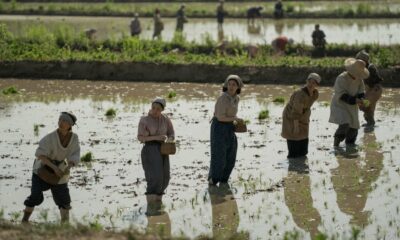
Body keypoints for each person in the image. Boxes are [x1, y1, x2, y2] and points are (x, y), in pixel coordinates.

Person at [22, 112, 80, 223]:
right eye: (60, 120)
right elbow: (40, 155)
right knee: (34, 197)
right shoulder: (50, 137)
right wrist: (54, 168)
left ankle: (65, 227)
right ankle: (24, 222)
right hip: (42, 169)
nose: (61, 123)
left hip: (60, 170)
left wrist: (70, 166)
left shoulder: (74, 138)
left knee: (64, 201)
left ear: (70, 125)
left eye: (65, 121)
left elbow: (75, 154)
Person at [137, 98, 175, 214]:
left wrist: (169, 139)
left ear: (162, 110)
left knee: (165, 178)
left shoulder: (165, 119)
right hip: (150, 149)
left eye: (158, 109)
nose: (155, 111)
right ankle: (151, 209)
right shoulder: (144, 120)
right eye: (153, 108)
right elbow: (140, 137)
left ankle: (158, 207)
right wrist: (156, 137)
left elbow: (171, 133)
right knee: (155, 178)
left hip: (163, 150)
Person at [209, 75, 244, 185]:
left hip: (229, 126)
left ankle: (224, 180)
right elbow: (220, 117)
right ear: (226, 85)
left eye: (234, 85)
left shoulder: (236, 98)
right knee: (219, 156)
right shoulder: (223, 98)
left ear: (238, 87)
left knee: (231, 155)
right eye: (229, 84)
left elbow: (231, 113)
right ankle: (213, 180)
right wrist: (235, 119)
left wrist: (235, 121)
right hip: (219, 127)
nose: (231, 86)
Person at [329, 58, 369, 147]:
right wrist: (355, 100)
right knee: (345, 123)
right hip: (340, 104)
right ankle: (336, 145)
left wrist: (361, 99)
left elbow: (361, 92)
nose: (357, 75)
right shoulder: (341, 78)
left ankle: (350, 145)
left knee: (354, 128)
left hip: (352, 106)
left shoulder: (359, 80)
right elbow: (342, 95)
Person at [281, 73, 321, 159]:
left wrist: (305, 116)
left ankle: (300, 163)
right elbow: (295, 112)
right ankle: (292, 165)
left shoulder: (315, 94)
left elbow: (307, 106)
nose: (311, 84)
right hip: (291, 116)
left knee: (303, 148)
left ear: (317, 85)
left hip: (303, 116)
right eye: (309, 82)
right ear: (306, 81)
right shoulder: (300, 94)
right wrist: (296, 126)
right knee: (294, 136)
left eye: (314, 83)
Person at [355, 50, 384, 128]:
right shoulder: (364, 68)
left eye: (358, 60)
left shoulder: (370, 68)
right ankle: (370, 123)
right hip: (371, 89)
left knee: (363, 105)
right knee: (370, 107)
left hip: (375, 89)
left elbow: (371, 81)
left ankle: (371, 122)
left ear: (364, 60)